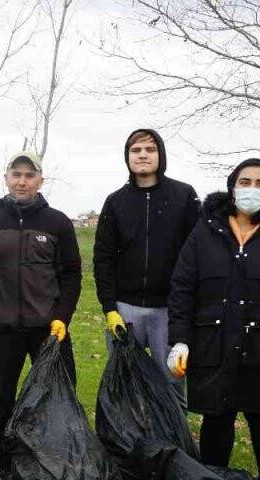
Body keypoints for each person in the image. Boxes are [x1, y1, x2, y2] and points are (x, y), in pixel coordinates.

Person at [166, 158, 260, 480]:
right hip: (212, 346)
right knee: (216, 423)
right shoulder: (205, 232)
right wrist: (179, 339)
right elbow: (182, 288)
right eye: (245, 182)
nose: (252, 189)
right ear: (233, 187)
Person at [0, 151, 82, 471]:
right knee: (0, 399)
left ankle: (59, 462)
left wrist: (62, 317)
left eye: (29, 175)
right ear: (6, 179)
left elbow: (72, 275)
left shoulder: (57, 222)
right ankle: (3, 464)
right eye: (16, 175)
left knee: (59, 395)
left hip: (47, 329)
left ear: (41, 180)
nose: (22, 181)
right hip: (1, 329)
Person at [93, 128, 201, 378]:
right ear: (127, 156)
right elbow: (103, 257)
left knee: (172, 379)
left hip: (170, 309)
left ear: (160, 155)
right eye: (136, 150)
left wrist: (189, 304)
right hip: (125, 308)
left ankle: (172, 419)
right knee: (126, 381)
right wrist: (110, 307)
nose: (143, 155)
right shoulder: (115, 201)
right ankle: (128, 420)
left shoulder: (184, 196)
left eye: (150, 149)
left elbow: (197, 254)